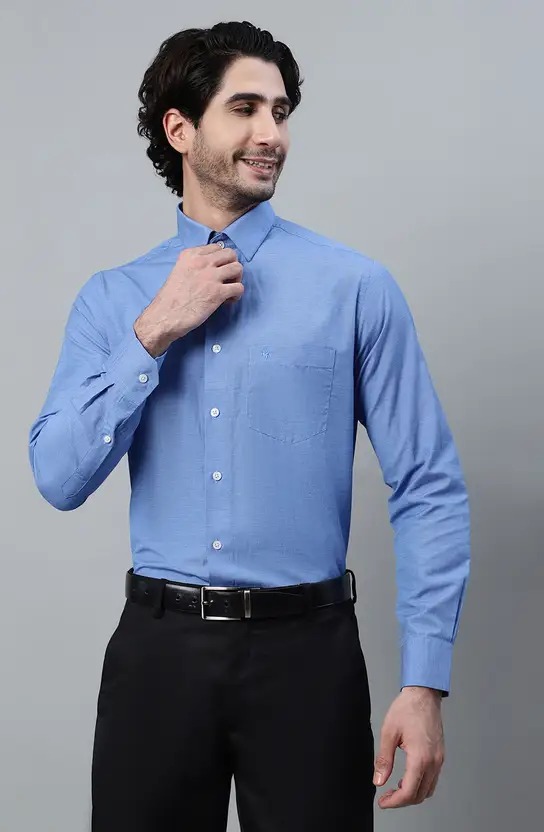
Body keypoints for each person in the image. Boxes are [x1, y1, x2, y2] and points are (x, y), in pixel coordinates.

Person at [28, 20, 470, 832]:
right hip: (158, 658)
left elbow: (428, 485)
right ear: (180, 128)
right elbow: (57, 476)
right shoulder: (114, 299)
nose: (272, 133)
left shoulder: (355, 287)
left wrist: (424, 681)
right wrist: (154, 331)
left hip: (309, 658)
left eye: (281, 111)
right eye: (246, 108)